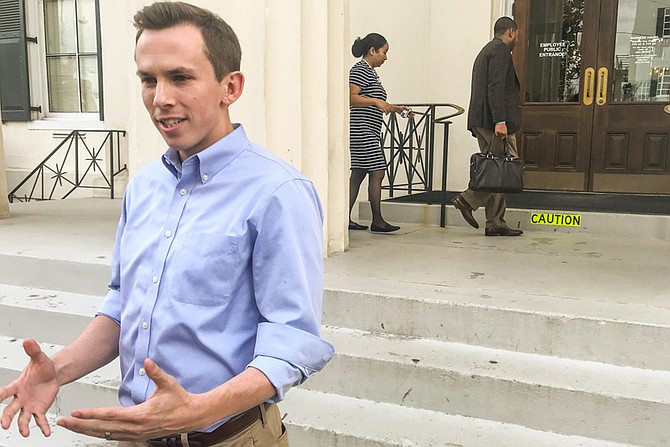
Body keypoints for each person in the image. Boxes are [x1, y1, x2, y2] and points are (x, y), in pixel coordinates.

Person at [0, 2, 334, 446]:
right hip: (136, 436)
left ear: (229, 87)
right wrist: (57, 371)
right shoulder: (144, 187)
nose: (160, 99)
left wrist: (197, 411)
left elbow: (292, 342)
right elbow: (123, 304)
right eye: (148, 79)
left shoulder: (277, 192)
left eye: (180, 77)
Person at [452, 16, 524, 237]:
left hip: (482, 119)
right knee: (502, 171)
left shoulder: (486, 50)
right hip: (493, 122)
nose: (517, 39)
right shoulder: (500, 51)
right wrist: (500, 120)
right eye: (517, 34)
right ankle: (467, 199)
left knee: (497, 168)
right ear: (511, 32)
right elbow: (496, 87)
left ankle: (495, 222)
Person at [348, 33, 410, 233]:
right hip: (362, 129)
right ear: (372, 51)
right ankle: (377, 220)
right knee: (377, 171)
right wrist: (376, 101)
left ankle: (344, 218)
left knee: (358, 174)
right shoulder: (360, 70)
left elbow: (375, 101)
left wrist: (395, 108)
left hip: (368, 129)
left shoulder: (370, 72)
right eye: (384, 52)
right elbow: (351, 98)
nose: (386, 57)